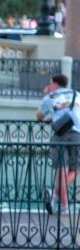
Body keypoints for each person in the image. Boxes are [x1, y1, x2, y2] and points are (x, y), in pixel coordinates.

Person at [38, 75, 79, 214]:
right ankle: (62, 204)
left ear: (55, 84)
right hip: (77, 135)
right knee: (75, 170)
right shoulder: (77, 94)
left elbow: (38, 116)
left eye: (50, 84)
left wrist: (46, 94)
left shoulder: (50, 97)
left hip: (59, 134)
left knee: (62, 169)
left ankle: (57, 196)